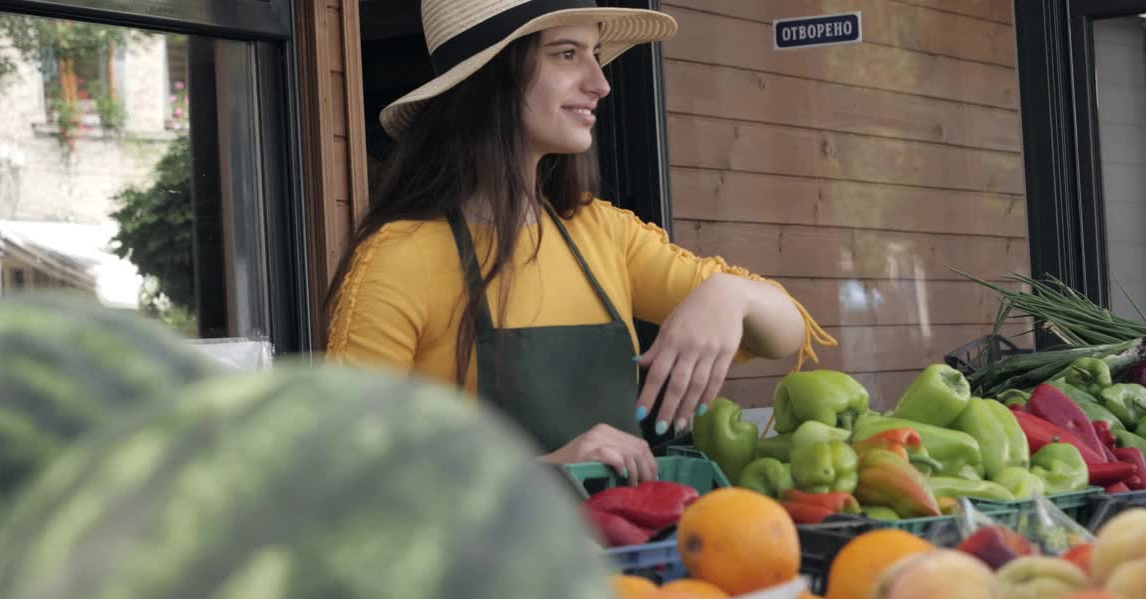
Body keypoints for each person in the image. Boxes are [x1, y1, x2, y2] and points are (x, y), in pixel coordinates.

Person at [326, 0, 832, 483]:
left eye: (595, 55)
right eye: (567, 54)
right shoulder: (400, 258)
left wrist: (730, 294)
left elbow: (785, 332)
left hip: (626, 562)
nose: (601, 83)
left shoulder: (602, 233)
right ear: (492, 75)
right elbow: (351, 471)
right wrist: (548, 471)